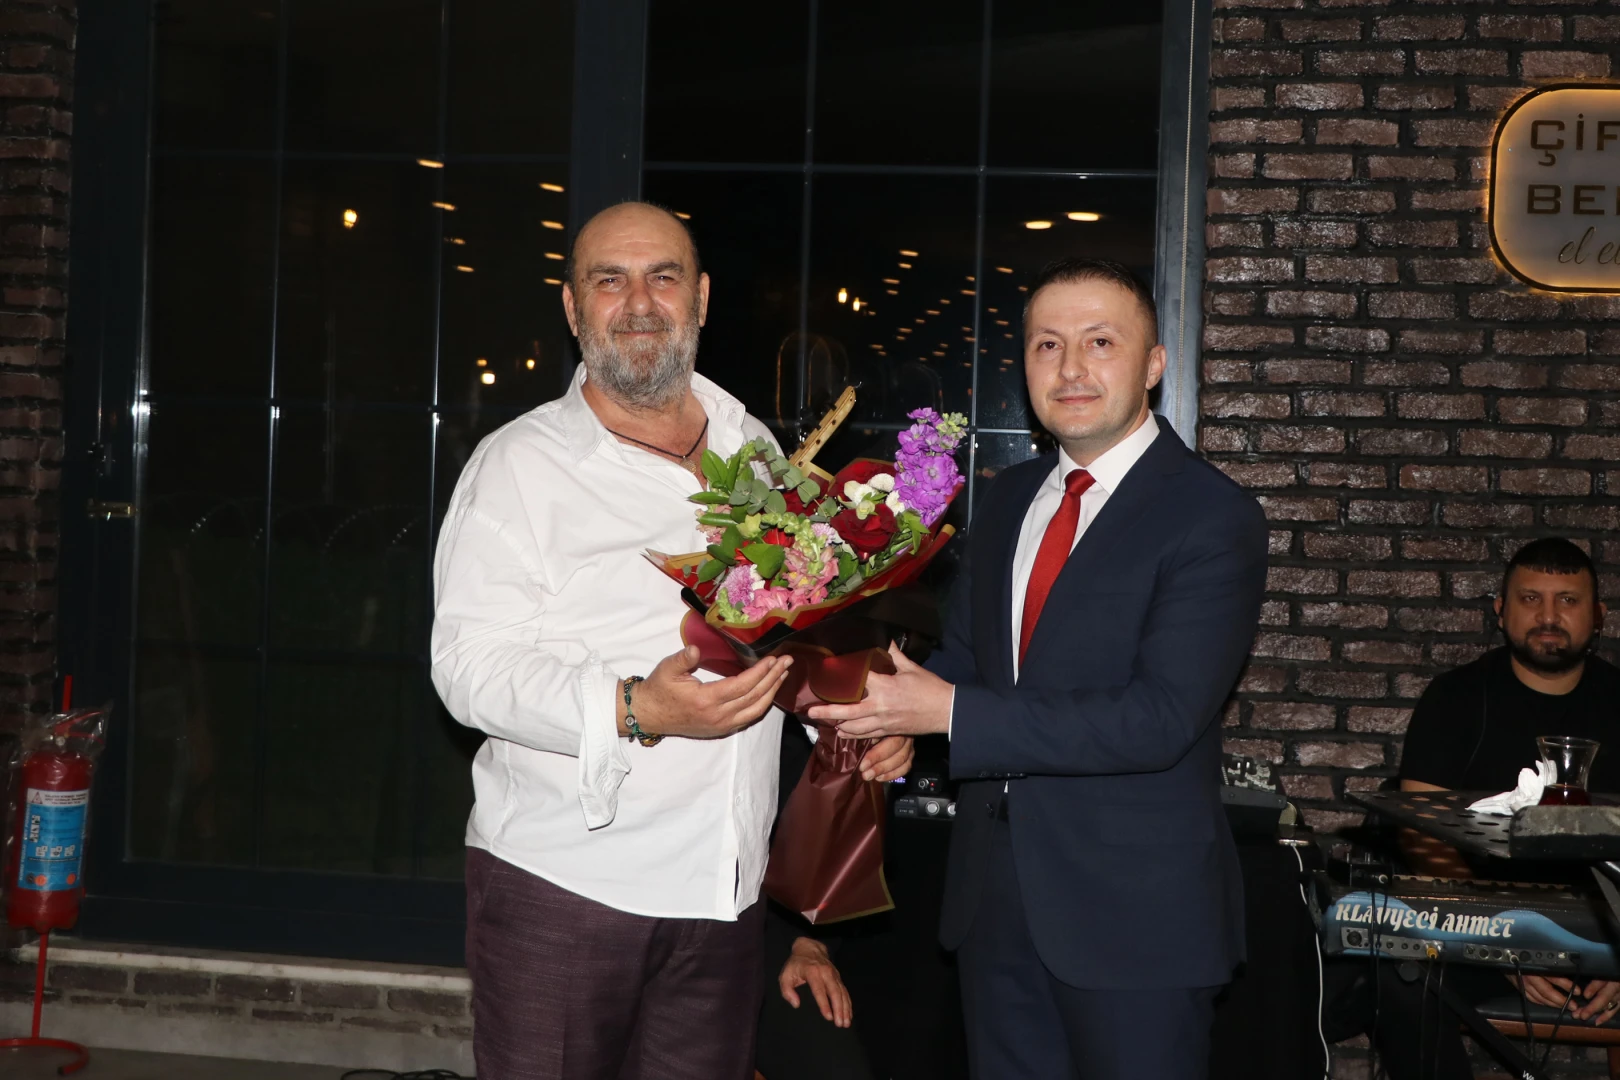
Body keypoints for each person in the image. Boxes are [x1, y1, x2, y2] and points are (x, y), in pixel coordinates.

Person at [431, 201, 912, 1080]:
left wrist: (855, 718)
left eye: (663, 277)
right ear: (573, 308)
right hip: (567, 884)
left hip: (724, 892)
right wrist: (633, 708)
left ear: (701, 299)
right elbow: (467, 669)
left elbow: (789, 637)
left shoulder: (755, 448)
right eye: (609, 281)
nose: (639, 303)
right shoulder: (517, 466)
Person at [809, 257, 1269, 1080]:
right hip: (993, 907)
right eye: (1047, 345)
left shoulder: (1211, 515)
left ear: (1154, 364)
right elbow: (971, 664)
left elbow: (1159, 718)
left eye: (1100, 342)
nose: (1070, 368)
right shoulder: (1009, 498)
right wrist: (902, 722)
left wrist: (948, 715)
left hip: (1136, 923)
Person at [1328, 537, 1619, 1080]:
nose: (1549, 616)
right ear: (1500, 611)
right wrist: (1504, 949)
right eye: (1530, 599)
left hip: (1606, 933)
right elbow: (1421, 837)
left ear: (1598, 615)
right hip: (1481, 933)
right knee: (1399, 979)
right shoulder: (1456, 698)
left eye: (1568, 600)